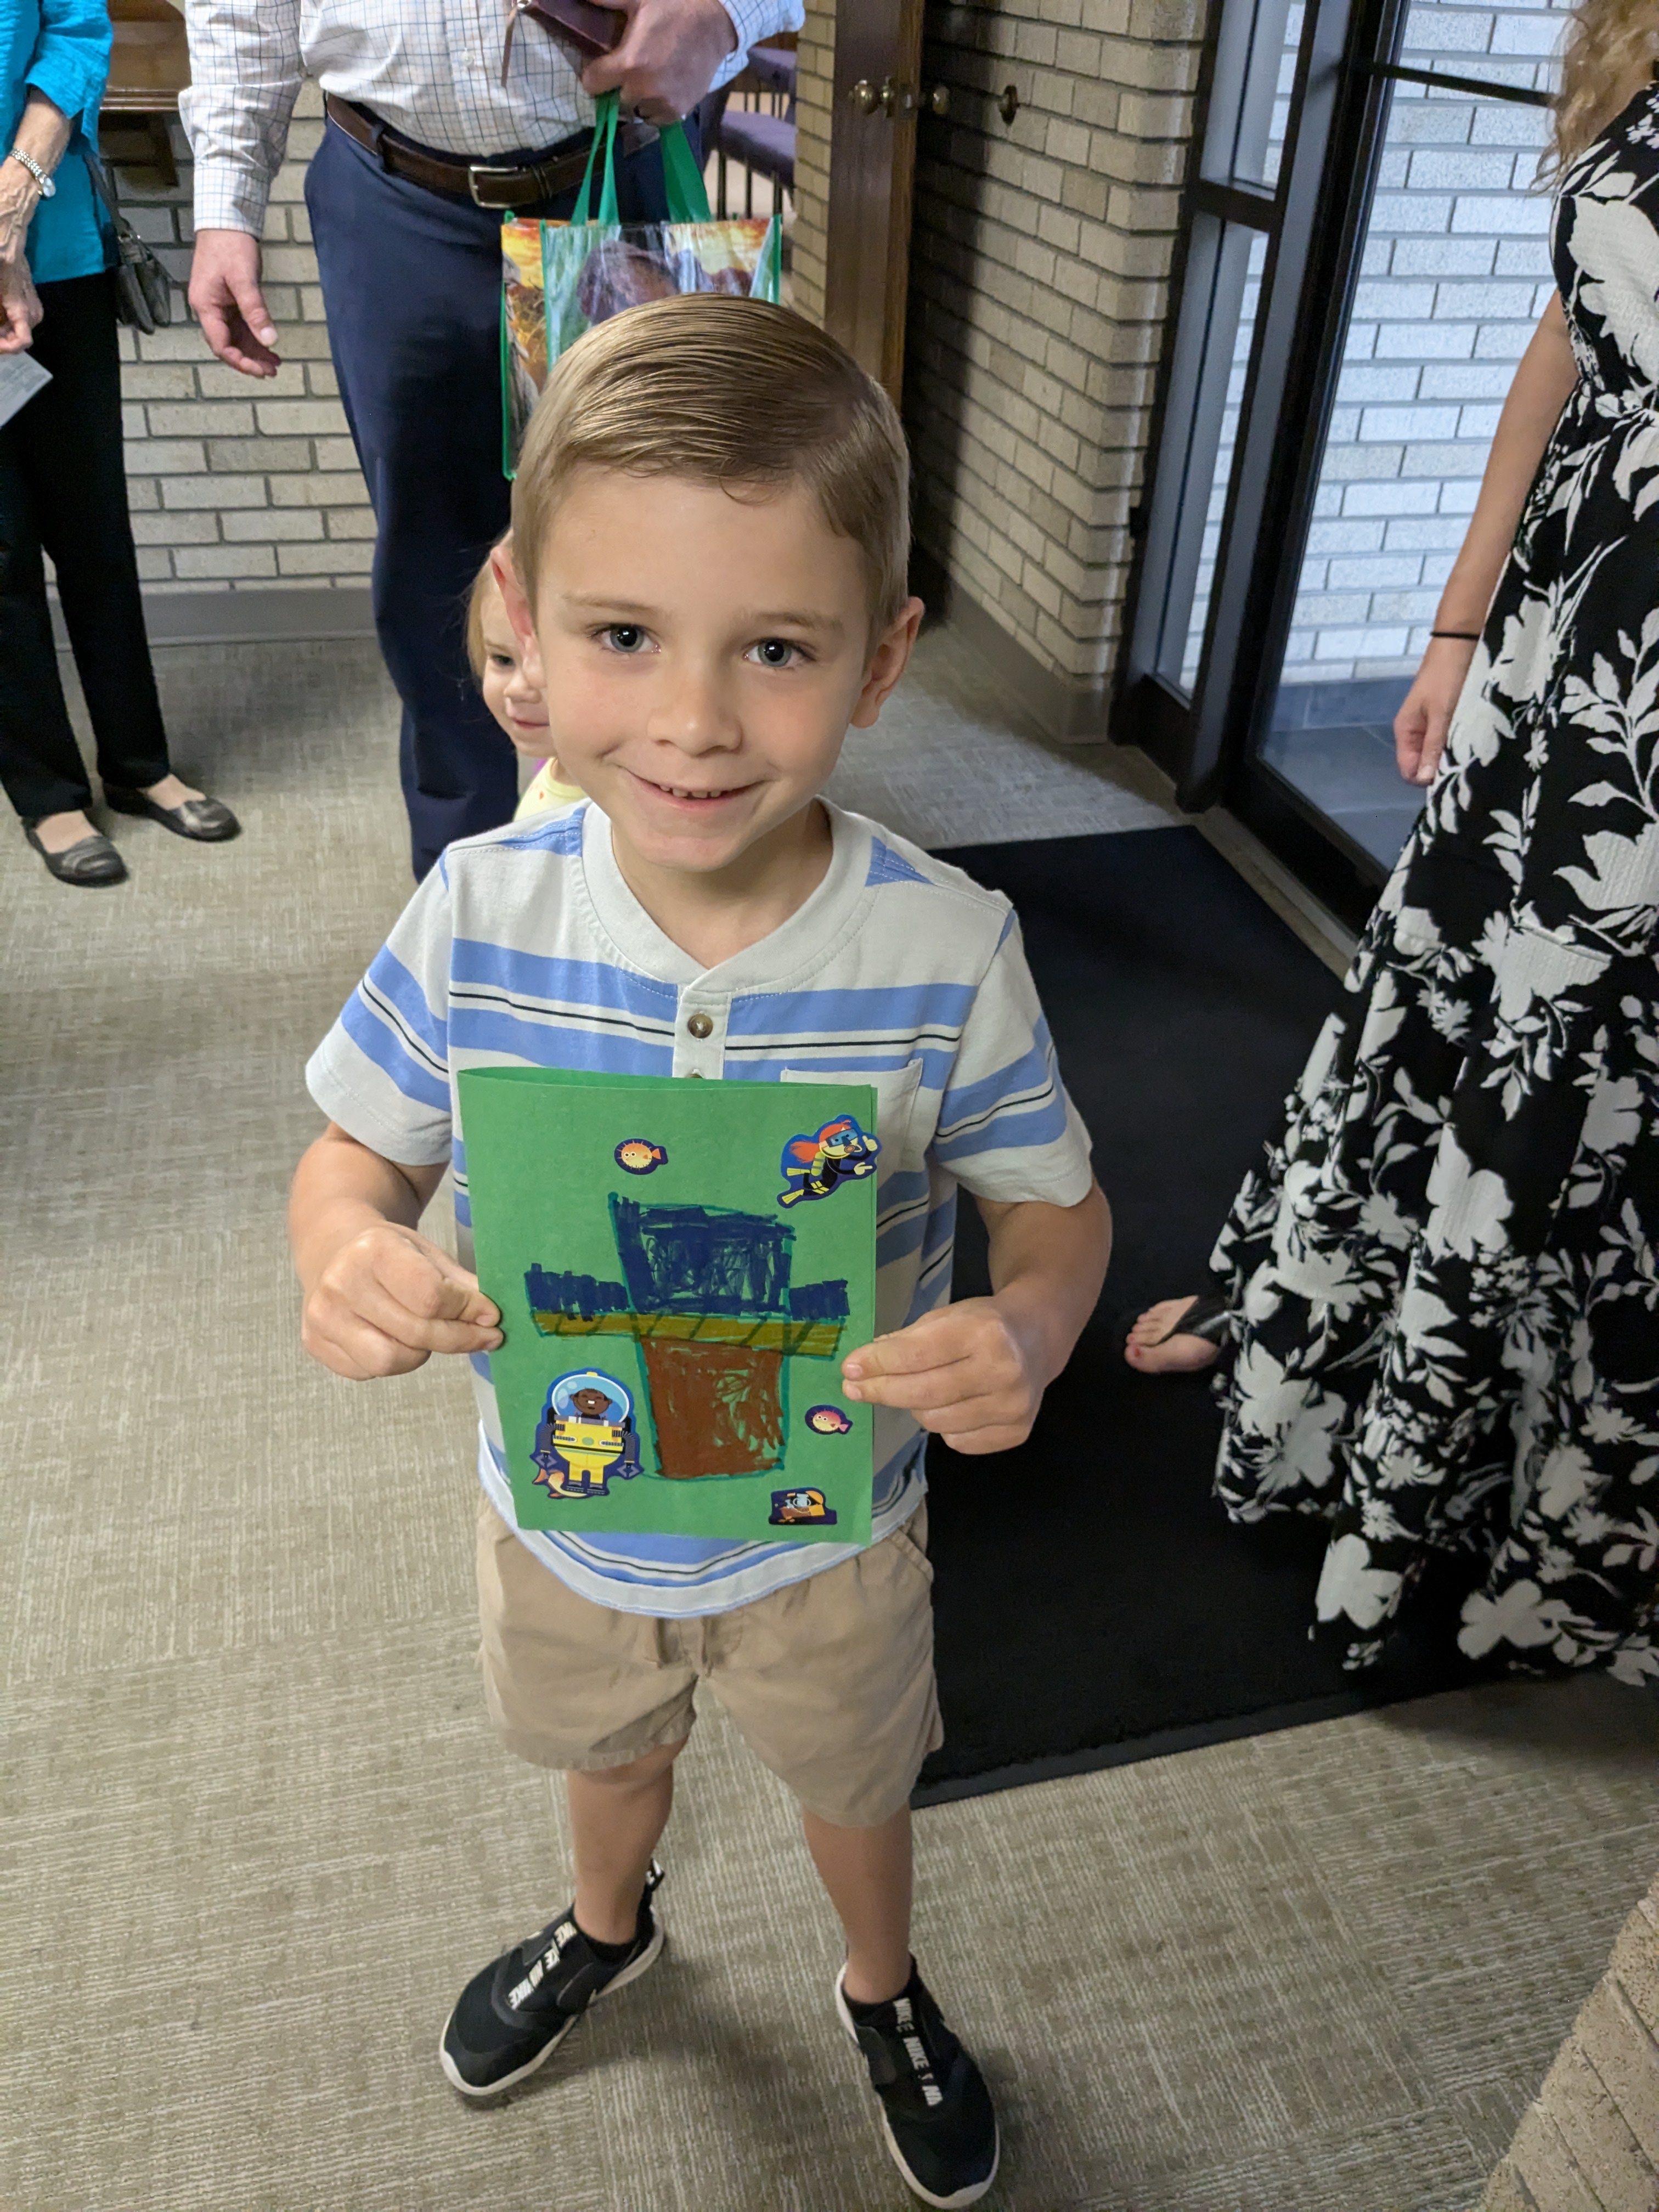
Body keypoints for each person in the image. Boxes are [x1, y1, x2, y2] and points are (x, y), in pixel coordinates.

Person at [288, 295, 1111, 2206]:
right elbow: (353, 1157)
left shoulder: (941, 949)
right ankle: (609, 1927)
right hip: (565, 1506)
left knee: (855, 1781)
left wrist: (1036, 1328)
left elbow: (1053, 1212)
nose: (691, 720)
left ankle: (879, 1983)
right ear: (521, 612)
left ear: (885, 658)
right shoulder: (476, 914)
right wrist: (341, 1250)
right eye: (624, 635)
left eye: (777, 650)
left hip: (834, 1520)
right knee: (602, 1748)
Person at [1126, 0, 1659, 1685]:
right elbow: (1566, 341)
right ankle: (1321, 1341)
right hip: (1569, 639)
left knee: (1591, 1055)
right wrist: (1452, 628)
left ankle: (1527, 1496)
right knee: (1450, 989)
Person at [180, 0, 800, 882]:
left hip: (625, 169)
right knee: (432, 560)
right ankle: (464, 879)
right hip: (391, 194)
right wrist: (226, 202)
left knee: (662, 542)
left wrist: (724, 13)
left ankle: (656, 861)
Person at [0, 0, 237, 887]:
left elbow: (76, 32)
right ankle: (46, 792)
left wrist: (12, 205)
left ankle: (138, 766)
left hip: (60, 240)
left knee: (95, 524)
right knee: (1, 546)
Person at [465, 543, 584, 820]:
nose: (517, 689)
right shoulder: (555, 757)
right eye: (502, 660)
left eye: (548, 668)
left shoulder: (604, 818)